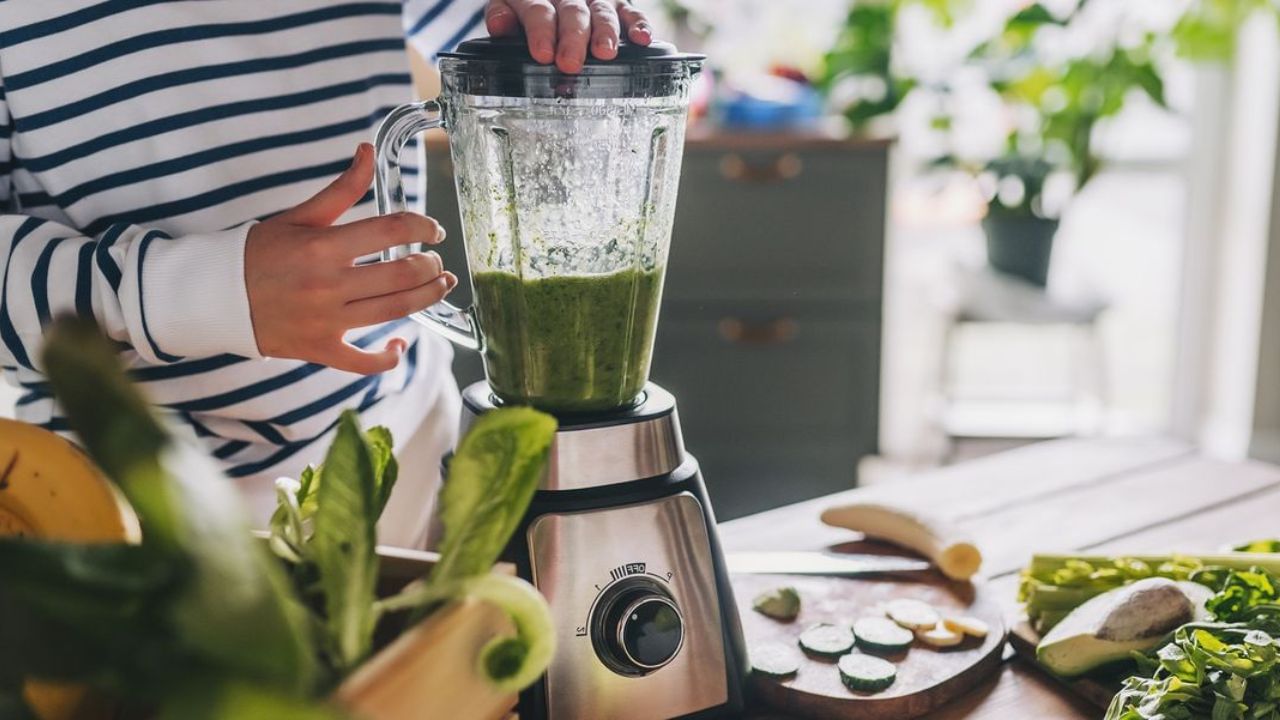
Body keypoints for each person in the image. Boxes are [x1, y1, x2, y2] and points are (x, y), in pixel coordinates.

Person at [0, 0, 654, 547]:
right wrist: (196, 294)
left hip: (408, 457)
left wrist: (560, 26)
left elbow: (523, 52)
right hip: (114, 500)